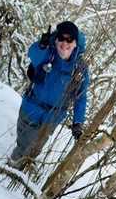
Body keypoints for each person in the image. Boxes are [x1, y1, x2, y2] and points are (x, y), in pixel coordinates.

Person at [9, 20, 89, 171]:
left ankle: (20, 167)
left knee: (36, 147)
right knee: (24, 144)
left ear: (75, 43)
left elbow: (81, 97)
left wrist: (78, 122)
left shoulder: (80, 68)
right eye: (61, 38)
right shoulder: (48, 52)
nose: (64, 43)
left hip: (53, 117)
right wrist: (41, 45)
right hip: (31, 107)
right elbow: (32, 55)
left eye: (69, 40)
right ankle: (11, 170)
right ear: (56, 39)